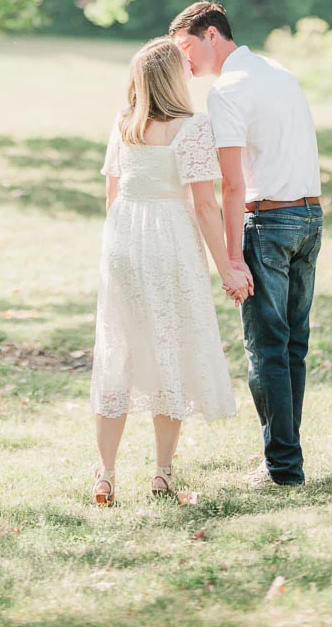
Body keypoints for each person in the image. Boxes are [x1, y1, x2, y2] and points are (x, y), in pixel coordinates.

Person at [90, 36, 248, 506]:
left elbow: (112, 197)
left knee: (118, 350)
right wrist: (228, 268)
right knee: (169, 348)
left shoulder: (123, 124)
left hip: (123, 241)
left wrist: (116, 248)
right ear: (173, 79)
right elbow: (204, 206)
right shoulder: (193, 129)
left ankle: (106, 473)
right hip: (170, 240)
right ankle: (161, 472)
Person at [170, 0, 322, 490]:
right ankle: (287, 459)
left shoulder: (227, 91)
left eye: (187, 47)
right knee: (292, 346)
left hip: (269, 224)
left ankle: (282, 469)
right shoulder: (280, 73)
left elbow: (231, 185)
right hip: (309, 216)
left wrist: (232, 258)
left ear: (212, 35)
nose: (185, 61)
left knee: (267, 351)